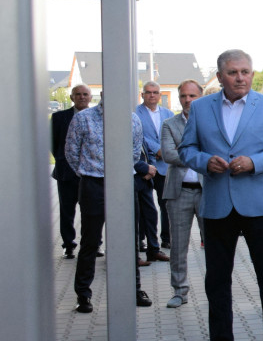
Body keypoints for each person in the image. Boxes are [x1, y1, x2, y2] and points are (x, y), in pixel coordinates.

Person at [179, 49, 263, 341]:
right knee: (216, 280)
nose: (240, 77)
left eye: (245, 71)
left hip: (259, 204)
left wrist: (255, 162)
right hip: (217, 205)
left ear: (252, 74)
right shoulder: (200, 108)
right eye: (233, 72)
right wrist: (205, 162)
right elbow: (186, 149)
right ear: (219, 77)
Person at [64, 96, 153, 313]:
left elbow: (134, 152)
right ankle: (83, 294)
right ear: (103, 97)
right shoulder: (83, 119)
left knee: (129, 240)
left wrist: (117, 173)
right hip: (93, 184)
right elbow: (71, 151)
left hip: (123, 183)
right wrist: (89, 173)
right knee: (90, 241)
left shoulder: (132, 120)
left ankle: (134, 289)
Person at [160, 80, 204, 308]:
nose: (188, 100)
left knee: (216, 245)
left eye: (192, 96)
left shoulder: (210, 122)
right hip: (179, 192)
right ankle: (179, 291)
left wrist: (185, 152)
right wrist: (201, 156)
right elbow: (168, 155)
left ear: (201, 97)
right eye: (184, 96)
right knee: (178, 246)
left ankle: (215, 289)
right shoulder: (169, 124)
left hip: (208, 191)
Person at [52, 84, 93, 259]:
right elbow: (53, 143)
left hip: (91, 174)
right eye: (78, 94)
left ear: (91, 98)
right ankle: (69, 245)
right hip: (66, 174)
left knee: (91, 212)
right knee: (67, 211)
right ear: (71, 97)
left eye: (85, 94)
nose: (82, 97)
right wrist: (66, 161)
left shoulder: (97, 117)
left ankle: (92, 245)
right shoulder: (59, 117)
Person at [134, 81, 174, 260]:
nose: (152, 95)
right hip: (145, 166)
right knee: (145, 207)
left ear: (160, 95)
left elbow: (174, 135)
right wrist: (156, 149)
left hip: (165, 166)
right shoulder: (136, 113)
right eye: (148, 92)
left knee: (166, 204)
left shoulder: (168, 114)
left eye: (155, 92)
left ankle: (167, 238)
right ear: (142, 95)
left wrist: (164, 150)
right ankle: (142, 240)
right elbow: (139, 136)